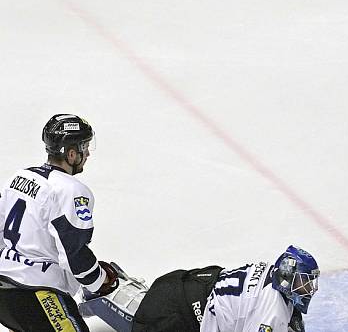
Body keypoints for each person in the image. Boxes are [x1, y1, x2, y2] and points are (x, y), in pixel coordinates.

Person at [0, 114, 119, 332]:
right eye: (84, 146)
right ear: (71, 153)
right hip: (37, 294)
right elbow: (75, 253)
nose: (88, 153)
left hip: (4, 292)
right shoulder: (70, 190)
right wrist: (99, 279)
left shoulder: (19, 177)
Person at [81, 245, 320, 332]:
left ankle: (116, 282)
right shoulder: (274, 310)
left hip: (190, 284)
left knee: (148, 304)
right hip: (179, 315)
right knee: (139, 323)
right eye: (304, 281)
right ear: (288, 276)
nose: (309, 288)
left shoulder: (270, 271)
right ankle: (98, 294)